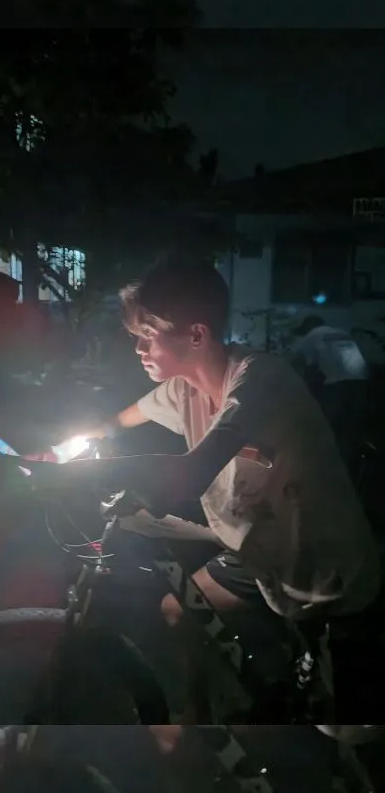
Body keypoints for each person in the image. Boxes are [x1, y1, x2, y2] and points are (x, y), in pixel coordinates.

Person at [33, 257, 380, 720]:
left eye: (147, 335)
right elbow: (115, 422)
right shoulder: (181, 390)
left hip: (323, 572)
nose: (138, 347)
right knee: (181, 610)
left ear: (196, 335)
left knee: (346, 740)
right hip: (259, 550)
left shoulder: (260, 381)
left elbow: (191, 473)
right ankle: (197, 724)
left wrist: (103, 471)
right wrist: (56, 452)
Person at [288, 315, 369, 477]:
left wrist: (302, 392)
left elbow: (310, 368)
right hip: (362, 386)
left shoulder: (311, 337)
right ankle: (351, 470)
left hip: (337, 387)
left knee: (328, 428)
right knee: (350, 430)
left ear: (307, 326)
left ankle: (328, 471)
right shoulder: (341, 333)